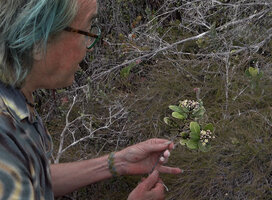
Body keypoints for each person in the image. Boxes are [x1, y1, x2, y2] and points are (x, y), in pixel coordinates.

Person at [0, 0, 182, 199]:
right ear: (36, 40)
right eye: (86, 31)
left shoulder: (16, 102)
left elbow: (30, 177)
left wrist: (118, 163)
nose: (90, 46)